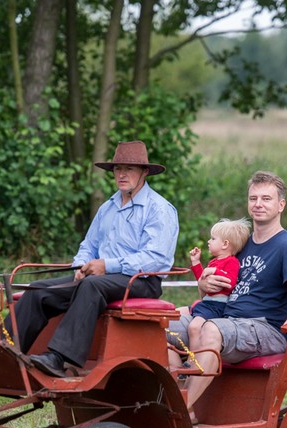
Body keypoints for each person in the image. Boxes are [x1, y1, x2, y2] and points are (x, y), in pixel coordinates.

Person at [9, 140, 179, 377]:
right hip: (101, 277)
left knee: (91, 285)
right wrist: (81, 265)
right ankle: (5, 351)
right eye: (117, 169)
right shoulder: (107, 207)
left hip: (141, 280)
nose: (121, 174)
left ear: (145, 172)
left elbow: (156, 259)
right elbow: (89, 245)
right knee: (38, 289)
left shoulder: (159, 209)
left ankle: (59, 359)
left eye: (129, 168)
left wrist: (107, 265)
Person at [169, 171, 287, 418]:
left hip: (264, 328)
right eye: (253, 198)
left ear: (281, 205)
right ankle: (178, 393)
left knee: (211, 330)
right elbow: (214, 289)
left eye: (266, 199)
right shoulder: (240, 244)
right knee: (160, 325)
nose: (258, 204)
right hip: (226, 317)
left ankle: (181, 413)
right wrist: (204, 283)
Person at [184, 217, 251, 345]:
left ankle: (193, 360)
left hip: (216, 306)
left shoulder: (232, 262)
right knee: (177, 315)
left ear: (225, 244)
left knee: (194, 327)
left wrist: (214, 271)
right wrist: (196, 262)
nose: (209, 241)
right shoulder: (214, 262)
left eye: (213, 239)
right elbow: (202, 280)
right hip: (206, 304)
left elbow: (230, 282)